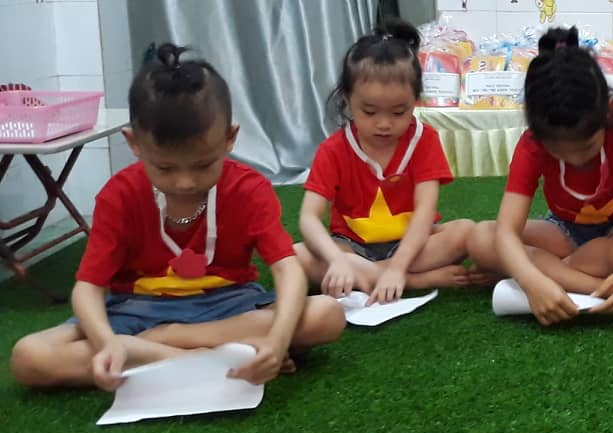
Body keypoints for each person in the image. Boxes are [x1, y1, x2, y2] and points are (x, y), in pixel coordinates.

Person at [9, 45, 344, 389]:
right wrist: (107, 342)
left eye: (203, 165)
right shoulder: (119, 195)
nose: (185, 182)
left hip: (229, 306)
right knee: (30, 357)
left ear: (230, 138)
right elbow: (87, 289)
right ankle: (197, 358)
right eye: (165, 168)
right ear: (134, 143)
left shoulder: (248, 188)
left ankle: (163, 346)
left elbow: (287, 269)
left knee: (327, 314)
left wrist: (277, 339)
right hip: (136, 311)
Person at [468, 27, 613, 324]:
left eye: (587, 147)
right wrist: (532, 282)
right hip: (564, 232)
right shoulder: (531, 143)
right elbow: (506, 230)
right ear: (538, 133)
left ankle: (556, 272)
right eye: (558, 151)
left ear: (604, 113)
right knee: (481, 238)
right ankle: (600, 286)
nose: (576, 160)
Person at [294, 21, 473, 302]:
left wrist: (398, 266)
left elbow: (425, 211)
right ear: (347, 98)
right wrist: (337, 260)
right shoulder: (333, 150)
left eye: (399, 112)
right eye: (369, 111)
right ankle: (415, 281)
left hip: (412, 245)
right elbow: (309, 217)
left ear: (416, 100)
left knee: (466, 232)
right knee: (296, 255)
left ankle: (374, 276)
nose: (384, 124)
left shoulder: (424, 139)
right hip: (350, 249)